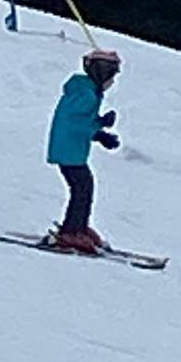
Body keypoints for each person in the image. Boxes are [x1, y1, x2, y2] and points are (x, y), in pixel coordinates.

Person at [44, 49, 122, 253]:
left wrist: (100, 125)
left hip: (72, 149)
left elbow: (81, 119)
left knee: (83, 187)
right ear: (101, 73)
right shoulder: (85, 94)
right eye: (111, 76)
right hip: (68, 150)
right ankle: (71, 231)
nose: (112, 82)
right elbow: (75, 123)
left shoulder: (87, 91)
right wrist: (100, 131)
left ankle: (77, 226)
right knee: (82, 188)